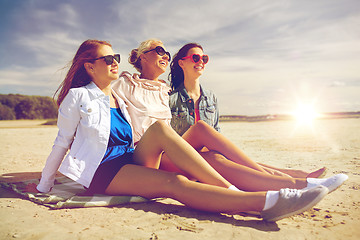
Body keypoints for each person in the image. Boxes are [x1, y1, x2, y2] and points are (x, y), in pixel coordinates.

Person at [24, 39, 331, 222]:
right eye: (108, 59)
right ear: (89, 66)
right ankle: (256, 201)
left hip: (131, 159)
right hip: (103, 171)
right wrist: (43, 185)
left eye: (115, 57)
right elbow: (62, 141)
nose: (114, 62)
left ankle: (271, 186)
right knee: (175, 181)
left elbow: (143, 120)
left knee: (170, 134)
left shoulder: (115, 94)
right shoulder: (80, 96)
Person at [112, 39, 347, 192]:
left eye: (204, 58)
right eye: (159, 51)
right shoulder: (127, 84)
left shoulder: (163, 89)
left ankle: (296, 182)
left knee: (211, 145)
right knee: (208, 144)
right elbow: (103, 103)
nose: (165, 55)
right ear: (142, 56)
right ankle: (294, 181)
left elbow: (213, 134)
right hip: (148, 155)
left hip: (176, 152)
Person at [169, 42, 328, 178]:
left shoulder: (211, 98)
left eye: (204, 58)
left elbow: (216, 131)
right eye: (195, 58)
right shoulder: (171, 98)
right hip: (186, 158)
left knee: (240, 162)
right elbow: (169, 138)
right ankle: (287, 177)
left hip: (210, 154)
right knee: (235, 163)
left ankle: (297, 174)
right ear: (182, 63)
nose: (201, 62)